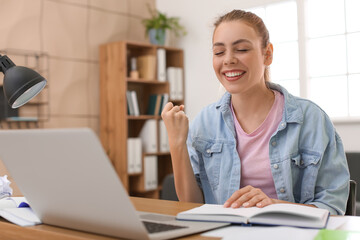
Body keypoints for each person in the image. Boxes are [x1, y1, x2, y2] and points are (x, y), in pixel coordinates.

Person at [161, 9, 349, 215]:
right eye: (219, 52)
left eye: (241, 49)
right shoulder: (205, 122)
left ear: (267, 54)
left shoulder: (311, 119)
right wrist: (177, 143)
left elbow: (333, 208)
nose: (228, 60)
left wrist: (275, 205)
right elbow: (192, 205)